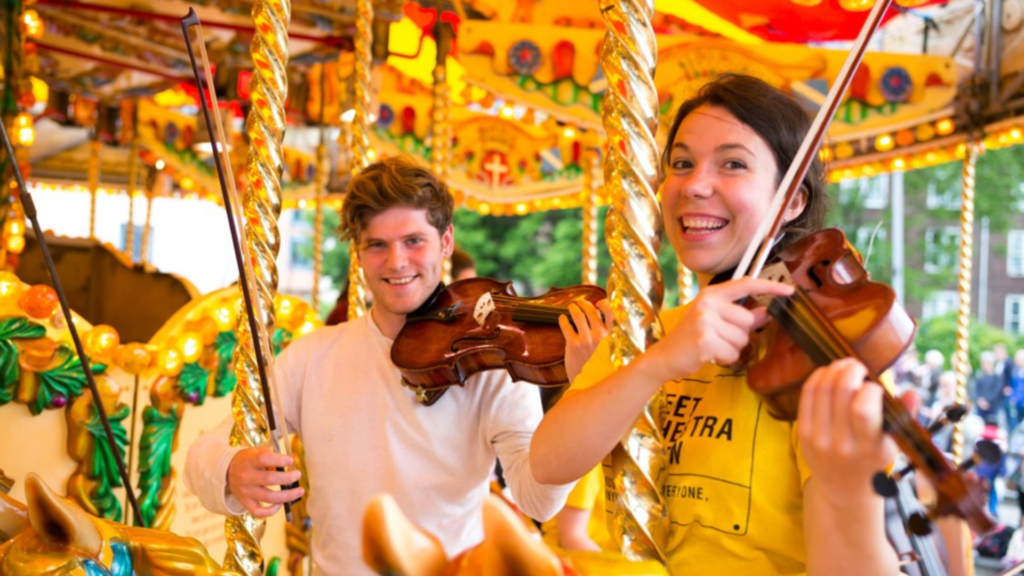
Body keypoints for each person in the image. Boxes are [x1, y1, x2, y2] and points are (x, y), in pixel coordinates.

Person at [530, 74, 901, 575]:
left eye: (733, 164)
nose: (695, 185)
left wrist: (849, 490)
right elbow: (548, 464)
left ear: (792, 201)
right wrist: (658, 362)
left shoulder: (820, 353)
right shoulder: (649, 335)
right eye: (681, 164)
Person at [185, 156, 583, 576]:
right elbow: (204, 448)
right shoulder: (313, 356)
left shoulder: (491, 362)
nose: (396, 262)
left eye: (414, 241)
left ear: (445, 241)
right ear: (358, 253)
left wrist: (579, 392)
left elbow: (539, 498)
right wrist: (231, 469)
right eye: (378, 245)